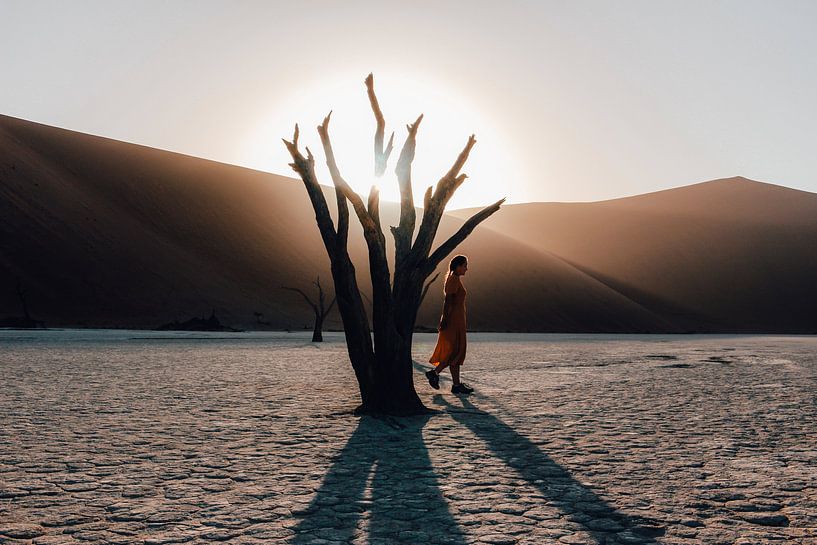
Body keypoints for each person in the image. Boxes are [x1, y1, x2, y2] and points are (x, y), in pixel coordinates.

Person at [426, 254, 474, 394]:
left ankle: (456, 385)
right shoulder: (453, 279)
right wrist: (445, 319)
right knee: (454, 351)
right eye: (465, 265)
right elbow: (448, 301)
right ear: (458, 266)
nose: (466, 268)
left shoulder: (455, 279)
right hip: (453, 321)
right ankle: (435, 373)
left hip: (457, 320)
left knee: (456, 352)